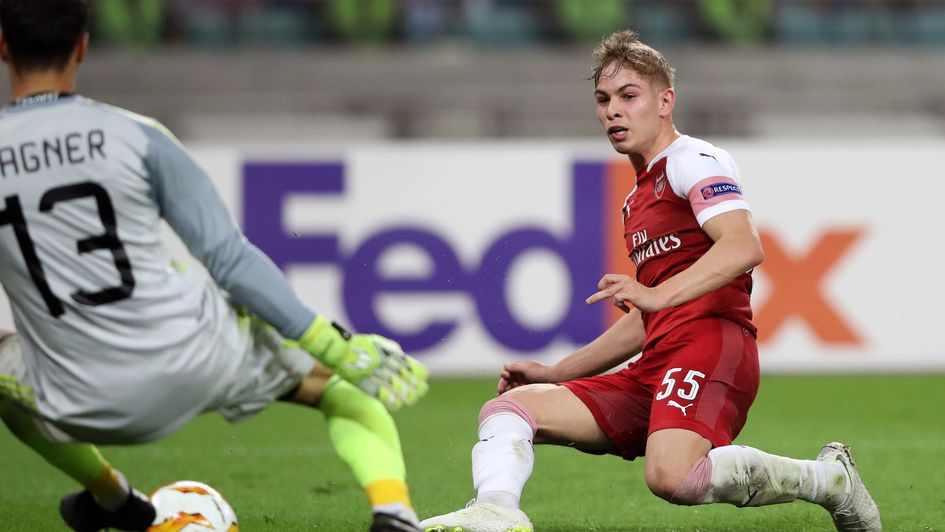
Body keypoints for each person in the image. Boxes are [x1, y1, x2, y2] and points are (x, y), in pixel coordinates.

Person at [419, 29, 881, 532]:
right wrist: (557, 373)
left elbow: (743, 245)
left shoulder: (694, 159)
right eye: (603, 99)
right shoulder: (635, 198)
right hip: (657, 360)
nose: (612, 110)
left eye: (628, 96)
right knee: (509, 408)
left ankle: (827, 480)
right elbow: (646, 319)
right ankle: (498, 512)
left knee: (672, 476)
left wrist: (657, 294)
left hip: (711, 345)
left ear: (666, 101)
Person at [0, 1, 429, 531]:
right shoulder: (137, 136)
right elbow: (229, 259)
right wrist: (335, 345)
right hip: (198, 361)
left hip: (76, 394)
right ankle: (394, 512)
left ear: (2, 47)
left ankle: (110, 495)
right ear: (83, 47)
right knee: (338, 387)